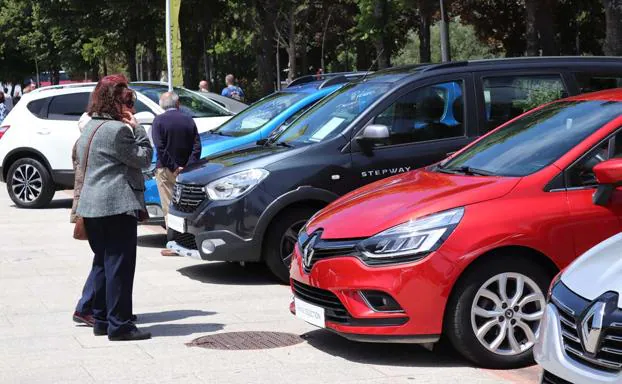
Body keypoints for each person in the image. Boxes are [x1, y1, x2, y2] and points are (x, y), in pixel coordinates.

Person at [75, 74, 153, 341]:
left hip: (92, 207)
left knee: (103, 265)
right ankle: (120, 325)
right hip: (116, 206)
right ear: (118, 102)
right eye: (126, 101)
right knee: (120, 267)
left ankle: (101, 319)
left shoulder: (90, 127)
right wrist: (139, 128)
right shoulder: (118, 131)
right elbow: (143, 159)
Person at [152, 92, 201, 256]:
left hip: (166, 170)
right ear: (178, 103)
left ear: (161, 105)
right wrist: (187, 166)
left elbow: (160, 147)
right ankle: (188, 241)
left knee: (169, 208)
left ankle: (174, 244)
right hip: (187, 172)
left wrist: (173, 167)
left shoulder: (158, 121)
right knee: (185, 207)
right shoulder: (188, 119)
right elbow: (196, 146)